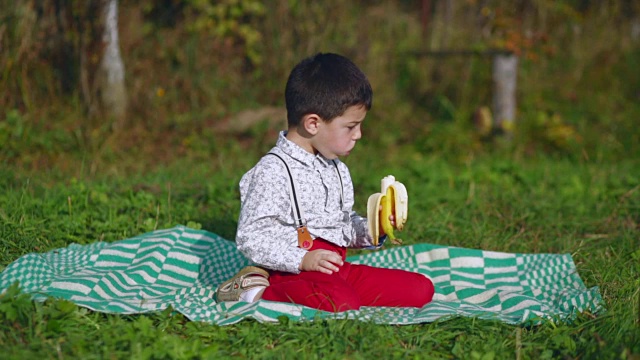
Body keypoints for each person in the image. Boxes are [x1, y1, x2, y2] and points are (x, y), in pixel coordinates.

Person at [215, 53, 434, 312]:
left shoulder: (335, 168)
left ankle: (335, 291)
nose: (359, 135)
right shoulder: (272, 171)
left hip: (335, 269)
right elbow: (251, 236)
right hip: (293, 272)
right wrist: (303, 259)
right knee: (340, 301)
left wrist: (375, 229)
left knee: (421, 289)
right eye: (351, 126)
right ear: (313, 123)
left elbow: (341, 225)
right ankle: (255, 290)